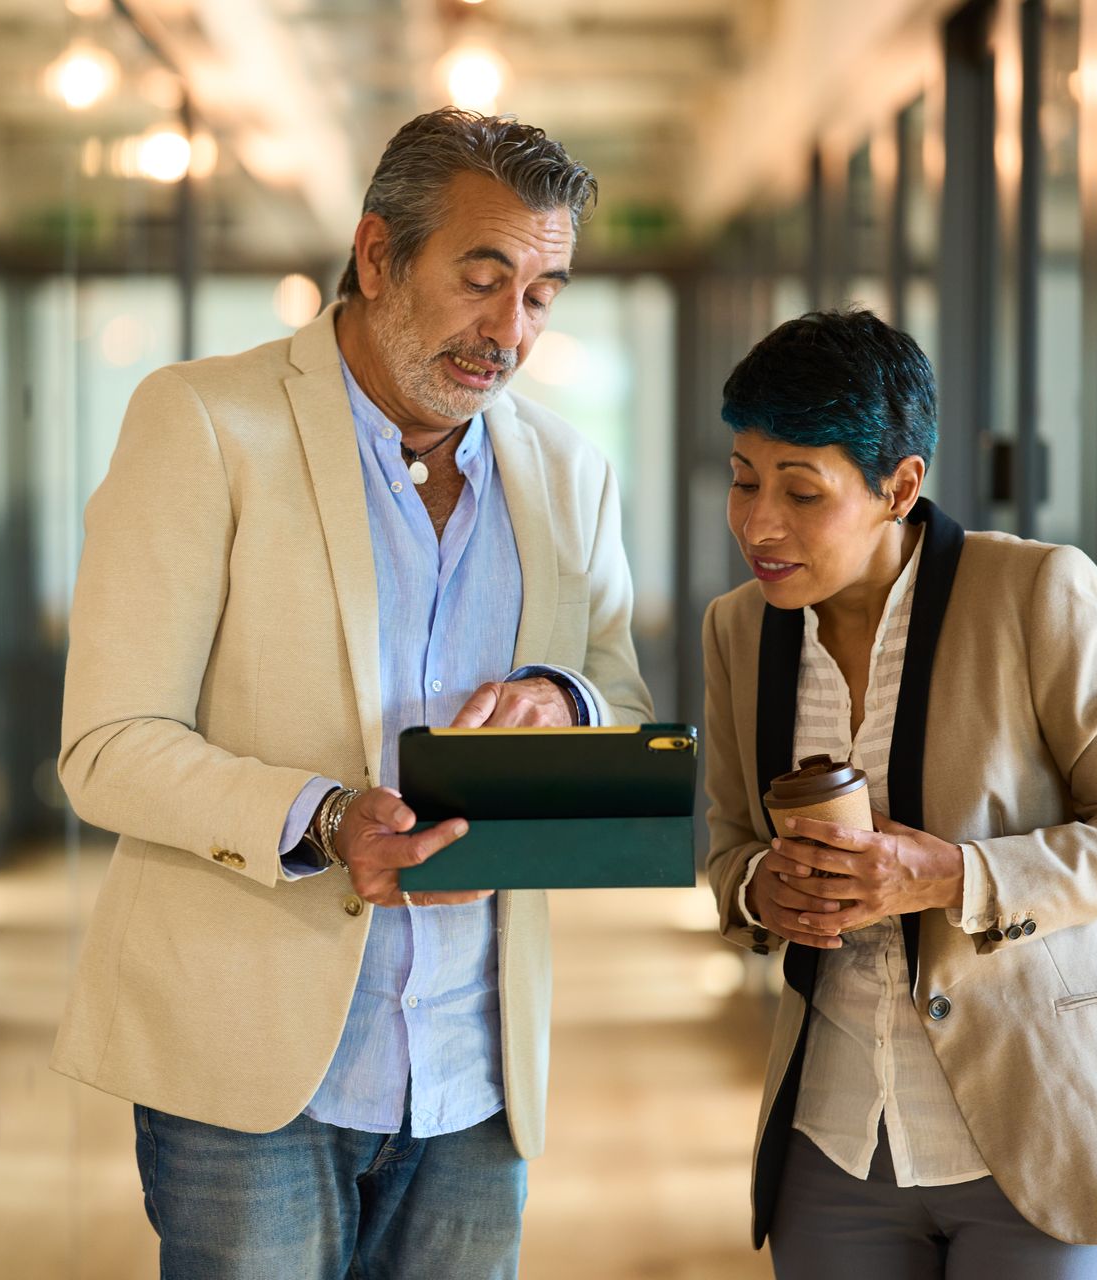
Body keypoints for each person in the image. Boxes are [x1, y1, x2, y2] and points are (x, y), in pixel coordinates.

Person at [53, 107, 651, 1278]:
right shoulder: (202, 422)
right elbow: (107, 745)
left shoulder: (569, 471)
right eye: (482, 280)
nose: (509, 330)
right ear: (378, 255)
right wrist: (324, 820)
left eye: (542, 294)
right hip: (249, 1076)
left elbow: (619, 693)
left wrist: (562, 699)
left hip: (476, 1079)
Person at [701, 309, 1097, 1277]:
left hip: (1048, 1122)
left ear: (901, 487)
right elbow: (727, 849)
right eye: (743, 479)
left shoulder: (1037, 592)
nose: (760, 523)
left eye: (803, 492)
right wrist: (765, 889)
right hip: (836, 1139)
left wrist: (954, 875)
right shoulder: (740, 630)